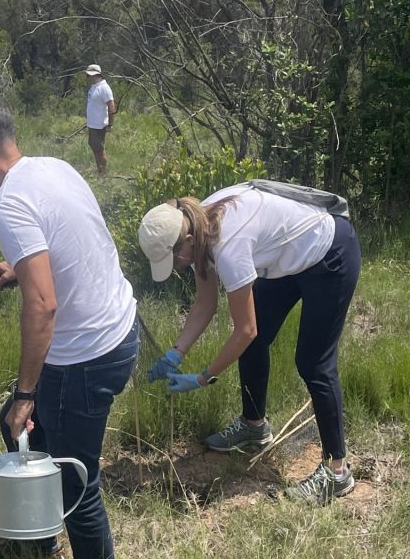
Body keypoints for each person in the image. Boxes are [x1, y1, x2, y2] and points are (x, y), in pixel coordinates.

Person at [0, 93, 138, 559]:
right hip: (120, 329)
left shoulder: (7, 203)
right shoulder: (53, 168)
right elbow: (70, 241)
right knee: (16, 429)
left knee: (76, 480)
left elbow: (44, 305)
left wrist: (27, 392)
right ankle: (39, 543)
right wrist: (19, 266)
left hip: (84, 355)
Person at [137, 184, 362, 505]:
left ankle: (337, 472)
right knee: (256, 343)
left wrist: (202, 378)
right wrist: (176, 352)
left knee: (313, 363)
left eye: (174, 259)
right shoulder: (197, 225)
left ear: (186, 240)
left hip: (329, 253)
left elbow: (245, 330)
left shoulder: (227, 245)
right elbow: (205, 305)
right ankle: (254, 426)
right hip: (290, 256)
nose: (177, 266)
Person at [84, 64, 115, 175]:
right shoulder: (94, 86)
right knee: (94, 146)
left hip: (99, 125)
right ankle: (99, 170)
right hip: (92, 124)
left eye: (91, 75)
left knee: (99, 150)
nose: (89, 77)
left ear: (98, 75)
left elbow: (111, 106)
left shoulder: (104, 88)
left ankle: (103, 173)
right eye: (88, 75)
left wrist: (110, 124)